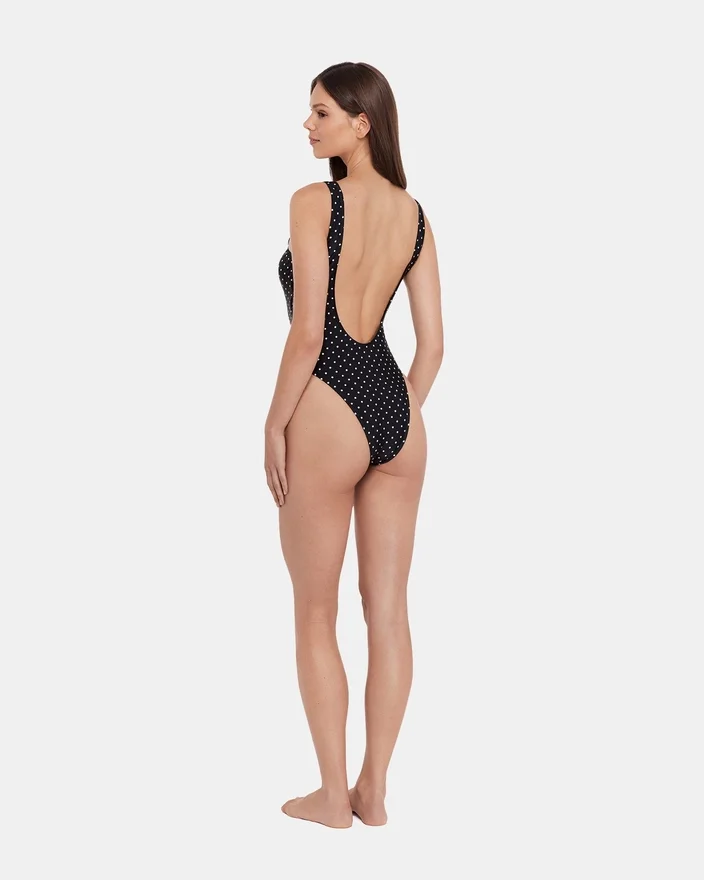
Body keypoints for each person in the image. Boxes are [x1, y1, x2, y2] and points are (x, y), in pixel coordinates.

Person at [264, 61, 443, 828]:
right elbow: (433, 347)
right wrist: (390, 420)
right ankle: (375, 790)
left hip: (328, 407)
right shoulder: (415, 216)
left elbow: (309, 333)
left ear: (361, 123)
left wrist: (275, 422)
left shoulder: (316, 202)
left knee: (315, 610)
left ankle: (333, 798)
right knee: (390, 611)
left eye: (321, 113)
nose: (308, 126)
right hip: (397, 414)